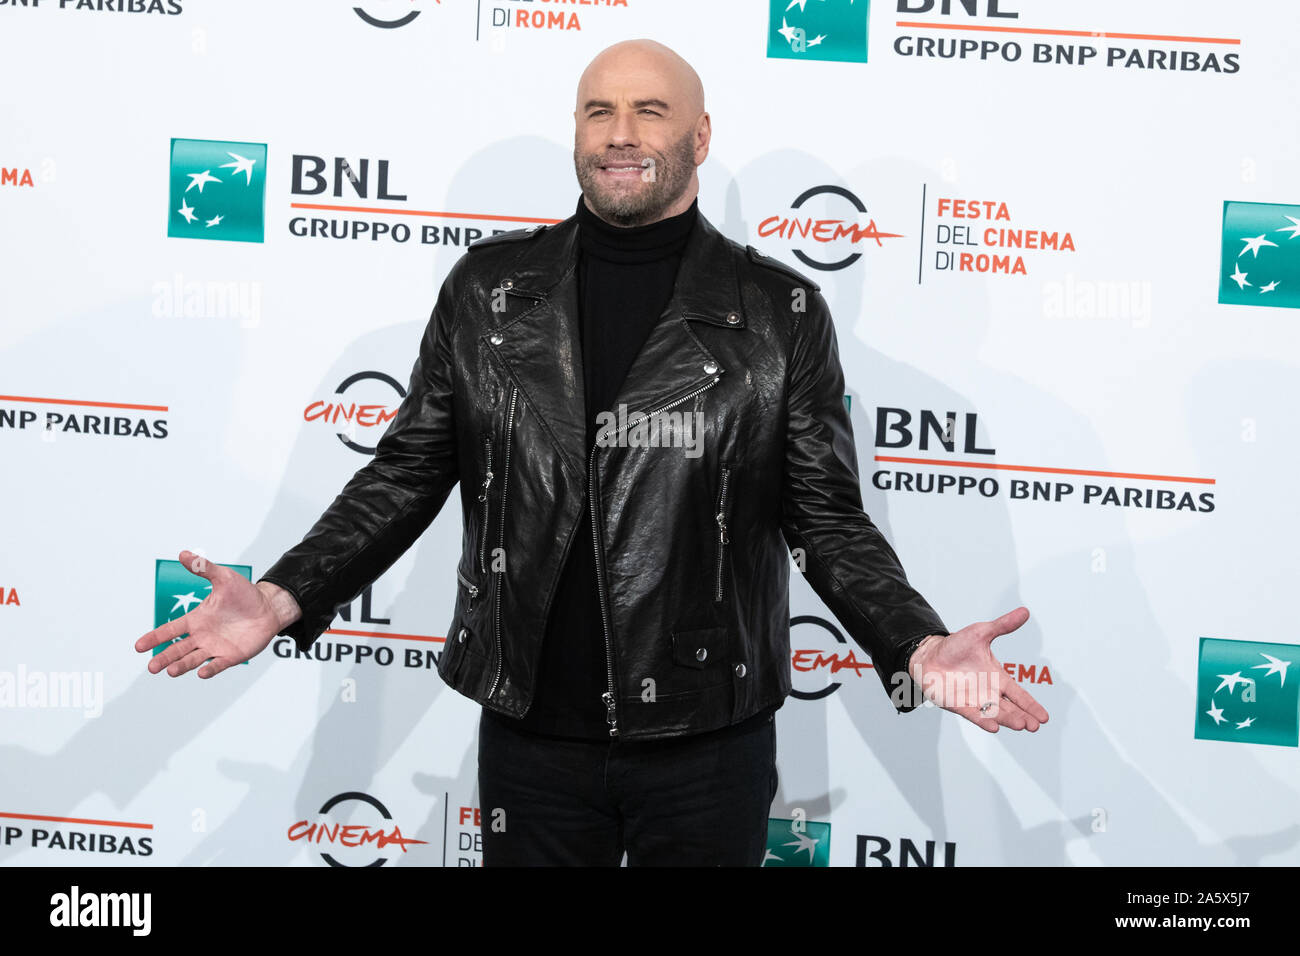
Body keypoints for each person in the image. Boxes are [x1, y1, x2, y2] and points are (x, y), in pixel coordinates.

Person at [135, 38, 1048, 866]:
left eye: (650, 110)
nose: (620, 133)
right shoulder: (490, 292)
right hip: (532, 738)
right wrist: (288, 592)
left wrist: (915, 638)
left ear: (699, 136)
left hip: (707, 740)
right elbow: (408, 469)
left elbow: (826, 518)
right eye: (597, 110)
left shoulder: (779, 315)